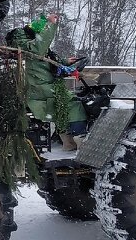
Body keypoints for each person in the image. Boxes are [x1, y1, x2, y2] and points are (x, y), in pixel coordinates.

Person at [6, 14, 87, 150]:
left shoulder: (29, 47)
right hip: (38, 90)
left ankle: (68, 142)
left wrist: (65, 62)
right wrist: (50, 25)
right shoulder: (24, 45)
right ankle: (80, 140)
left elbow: (45, 60)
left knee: (62, 104)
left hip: (42, 88)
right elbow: (39, 49)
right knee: (73, 104)